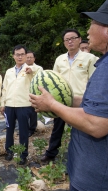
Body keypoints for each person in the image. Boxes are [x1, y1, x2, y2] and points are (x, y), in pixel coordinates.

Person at [30, 0, 108, 191]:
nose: (87, 31)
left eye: (92, 23)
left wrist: (52, 104)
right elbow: (104, 105)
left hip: (100, 186)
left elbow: (96, 124)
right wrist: (66, 99)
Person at [40, 29, 97, 163]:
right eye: (67, 39)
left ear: (79, 39)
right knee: (57, 129)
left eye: (73, 38)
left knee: (80, 130)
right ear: (64, 43)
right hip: (62, 100)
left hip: (81, 101)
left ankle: (81, 158)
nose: (70, 41)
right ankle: (51, 153)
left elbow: (94, 80)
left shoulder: (90, 58)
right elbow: (52, 79)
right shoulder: (60, 59)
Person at [0, 45, 35, 165]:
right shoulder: (9, 71)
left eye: (22, 54)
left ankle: (23, 154)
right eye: (17, 54)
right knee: (9, 129)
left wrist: (32, 72)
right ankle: (9, 151)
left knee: (23, 131)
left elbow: (39, 77)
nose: (20, 57)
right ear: (13, 56)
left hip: (24, 105)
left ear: (26, 56)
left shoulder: (31, 70)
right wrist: (3, 103)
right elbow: (4, 88)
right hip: (9, 105)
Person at [25, 51, 43, 137]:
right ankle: (24, 128)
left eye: (30, 57)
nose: (28, 59)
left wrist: (32, 71)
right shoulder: (21, 67)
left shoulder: (39, 68)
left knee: (32, 112)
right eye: (27, 57)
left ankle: (32, 129)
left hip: (33, 93)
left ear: (34, 58)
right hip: (23, 94)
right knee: (23, 113)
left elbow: (39, 77)